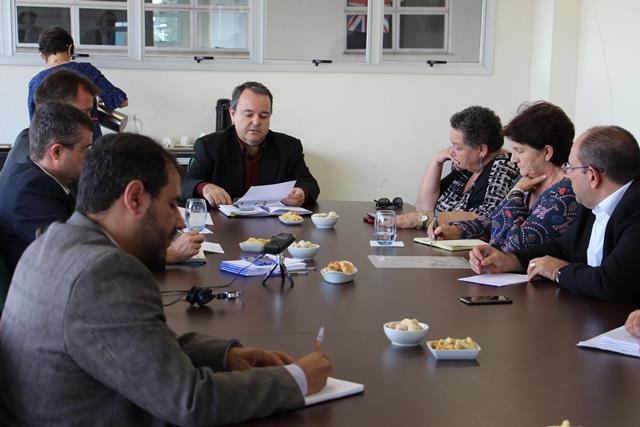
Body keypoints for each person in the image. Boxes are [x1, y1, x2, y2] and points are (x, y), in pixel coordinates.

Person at [0, 133, 331, 425]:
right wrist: (296, 380)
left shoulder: (52, 241)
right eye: (172, 204)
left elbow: (135, 344)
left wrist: (224, 356)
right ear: (134, 197)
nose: (179, 221)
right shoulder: (104, 272)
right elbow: (190, 401)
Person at [1, 70, 201, 269]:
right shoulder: (31, 188)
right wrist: (165, 254)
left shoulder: (42, 166)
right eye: (85, 112)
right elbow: (76, 255)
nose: (91, 120)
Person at [469, 126, 640, 303]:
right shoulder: (590, 204)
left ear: (592, 176)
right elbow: (562, 248)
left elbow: (610, 283)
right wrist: (510, 260)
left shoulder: (635, 210)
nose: (566, 175)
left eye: (570, 167)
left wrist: (558, 271)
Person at [428, 101, 578, 252]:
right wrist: (457, 230)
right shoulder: (526, 180)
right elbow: (493, 221)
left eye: (520, 151)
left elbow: (512, 246)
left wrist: (515, 194)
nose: (513, 159)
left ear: (547, 152)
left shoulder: (565, 194)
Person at [181, 81, 320, 207]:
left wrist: (302, 192)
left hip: (272, 224)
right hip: (224, 223)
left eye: (263, 116)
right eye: (248, 114)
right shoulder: (210, 146)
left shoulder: (289, 147)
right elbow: (185, 185)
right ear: (232, 114)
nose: (256, 122)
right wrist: (204, 187)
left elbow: (309, 183)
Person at [0, 102, 93, 272]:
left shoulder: (34, 175)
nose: (90, 158)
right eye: (85, 150)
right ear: (56, 152)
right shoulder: (31, 192)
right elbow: (74, 254)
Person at [397, 105, 519, 229]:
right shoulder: (468, 166)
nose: (451, 151)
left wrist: (418, 219)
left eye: (458, 147)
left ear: (482, 150)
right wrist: (436, 161)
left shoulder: (504, 168)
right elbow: (423, 208)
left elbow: (483, 218)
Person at [28, 26, 128, 141]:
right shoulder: (86, 70)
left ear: (43, 55)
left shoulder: (35, 82)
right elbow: (122, 101)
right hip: (88, 142)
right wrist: (97, 102)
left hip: (53, 145)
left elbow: (34, 123)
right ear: (70, 48)